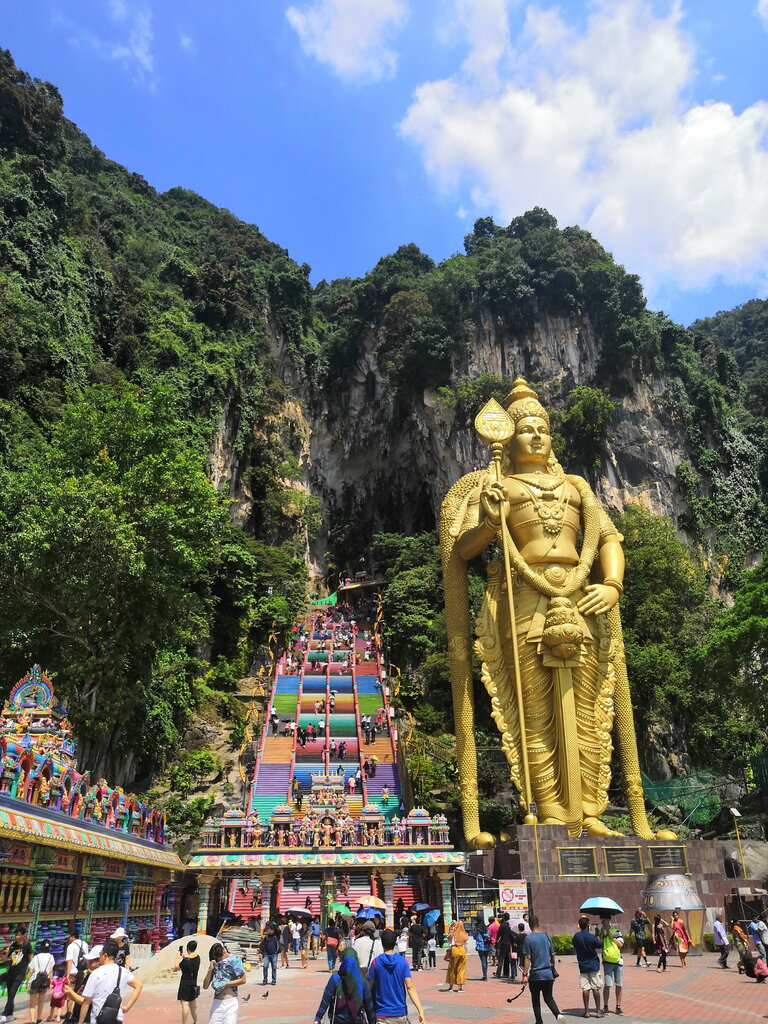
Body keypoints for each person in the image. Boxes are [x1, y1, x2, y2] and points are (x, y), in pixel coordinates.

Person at [444, 378, 673, 845]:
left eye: (542, 429)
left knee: (589, 707)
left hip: (581, 595)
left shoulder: (576, 487)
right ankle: (550, 811)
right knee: (534, 710)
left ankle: (589, 812)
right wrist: (489, 522)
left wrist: (612, 584)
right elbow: (462, 550)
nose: (536, 436)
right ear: (508, 439)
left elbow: (608, 539)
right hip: (522, 599)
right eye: (525, 429)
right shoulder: (495, 486)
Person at [367, 929, 426, 1024]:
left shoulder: (375, 963)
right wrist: (420, 1010)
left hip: (382, 1014)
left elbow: (368, 987)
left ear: (382, 943)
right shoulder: (403, 962)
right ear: (395, 943)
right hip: (400, 1013)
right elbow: (410, 987)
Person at [79, 940, 143, 1024]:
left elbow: (86, 1002)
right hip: (116, 1018)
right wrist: (127, 1007)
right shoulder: (123, 971)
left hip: (98, 1018)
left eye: (100, 954)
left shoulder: (96, 973)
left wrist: (80, 1022)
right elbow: (139, 985)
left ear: (104, 955)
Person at [521, 916, 565, 1024]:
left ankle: (539, 1021)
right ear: (538, 923)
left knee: (535, 1000)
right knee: (549, 998)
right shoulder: (546, 936)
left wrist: (524, 975)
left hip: (536, 974)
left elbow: (528, 957)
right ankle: (558, 1015)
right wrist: (552, 967)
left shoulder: (528, 939)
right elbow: (552, 954)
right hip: (548, 973)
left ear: (529, 925)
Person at [313, 949, 374, 1024]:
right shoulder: (362, 981)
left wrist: (318, 1018)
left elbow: (326, 999)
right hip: (357, 1020)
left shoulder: (336, 978)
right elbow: (369, 1005)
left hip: (338, 1020)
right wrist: (372, 1021)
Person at [202, 943, 245, 1024]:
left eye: (219, 958)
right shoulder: (215, 963)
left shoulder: (234, 959)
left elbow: (243, 980)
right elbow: (205, 986)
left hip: (230, 1003)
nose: (219, 960)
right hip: (217, 1003)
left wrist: (224, 984)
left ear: (223, 952)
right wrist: (210, 970)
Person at [572, 916, 602, 1019]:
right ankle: (598, 1011)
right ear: (588, 925)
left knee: (585, 988)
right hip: (593, 964)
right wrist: (598, 935)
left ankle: (586, 1011)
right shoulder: (592, 936)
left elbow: (574, 946)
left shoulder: (576, 936)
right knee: (595, 988)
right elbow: (600, 945)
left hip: (582, 965)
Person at [2, 925, 33, 1020]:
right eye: (16, 935)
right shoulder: (13, 945)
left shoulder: (27, 945)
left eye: (18, 935)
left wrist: (30, 972)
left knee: (12, 993)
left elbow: (31, 960)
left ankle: (5, 1014)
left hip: (20, 974)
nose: (16, 937)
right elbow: (4, 960)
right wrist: (6, 953)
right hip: (11, 973)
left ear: (23, 935)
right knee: (10, 995)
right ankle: (10, 1014)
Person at [599, 917, 624, 1015]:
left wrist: (610, 936)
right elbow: (599, 944)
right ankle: (605, 1006)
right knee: (607, 984)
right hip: (607, 961)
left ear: (609, 920)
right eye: (601, 920)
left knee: (619, 984)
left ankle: (618, 1006)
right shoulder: (601, 932)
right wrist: (600, 934)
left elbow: (621, 944)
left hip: (618, 961)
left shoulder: (616, 932)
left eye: (604, 920)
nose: (603, 922)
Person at [27, 939, 55, 1024]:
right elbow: (51, 971)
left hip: (35, 981)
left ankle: (32, 1020)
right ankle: (38, 1019)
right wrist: (50, 983)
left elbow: (31, 971)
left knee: (32, 1002)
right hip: (44, 982)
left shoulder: (36, 957)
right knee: (41, 1001)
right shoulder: (51, 957)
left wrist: (27, 981)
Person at [174, 940, 201, 1024]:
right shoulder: (198, 957)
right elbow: (190, 963)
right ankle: (196, 1022)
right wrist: (185, 957)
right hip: (193, 984)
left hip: (185, 984)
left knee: (185, 1004)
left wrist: (177, 957)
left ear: (187, 948)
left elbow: (176, 967)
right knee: (193, 1006)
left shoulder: (186, 960)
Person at [443, 921, 467, 993]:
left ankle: (451, 987)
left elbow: (449, 942)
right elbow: (466, 945)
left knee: (452, 968)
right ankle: (460, 987)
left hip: (454, 949)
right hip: (462, 950)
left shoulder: (453, 934)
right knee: (461, 969)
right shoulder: (465, 934)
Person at [494, 913, 512, 979]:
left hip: (503, 943)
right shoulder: (510, 925)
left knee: (501, 959)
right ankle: (506, 973)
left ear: (504, 918)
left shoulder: (502, 925)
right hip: (509, 943)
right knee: (507, 959)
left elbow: (499, 934)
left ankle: (498, 973)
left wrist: (496, 941)